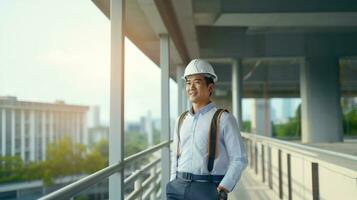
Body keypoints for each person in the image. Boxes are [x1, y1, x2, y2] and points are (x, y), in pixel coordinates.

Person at [166, 59, 247, 200]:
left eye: (197, 82)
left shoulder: (224, 119)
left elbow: (239, 159)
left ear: (210, 88)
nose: (191, 87)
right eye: (188, 82)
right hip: (177, 187)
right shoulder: (180, 120)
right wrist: (173, 180)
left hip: (208, 188)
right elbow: (175, 155)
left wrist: (224, 187)